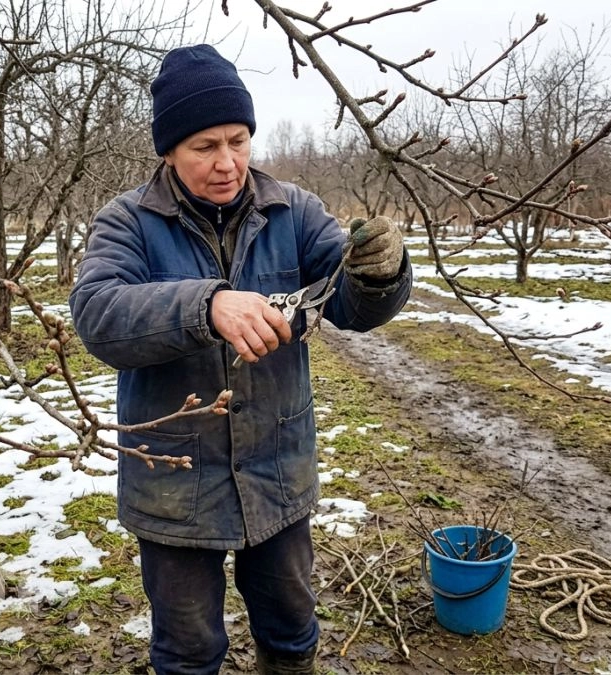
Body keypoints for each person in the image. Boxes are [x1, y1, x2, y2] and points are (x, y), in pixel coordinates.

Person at [69, 44, 411, 675]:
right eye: (204, 146)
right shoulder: (127, 223)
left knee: (290, 632)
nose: (227, 163)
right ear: (168, 150)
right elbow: (98, 314)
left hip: (277, 469)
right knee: (189, 649)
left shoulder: (295, 211)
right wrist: (208, 306)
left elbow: (352, 307)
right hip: (175, 485)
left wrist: (379, 274)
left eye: (238, 140)